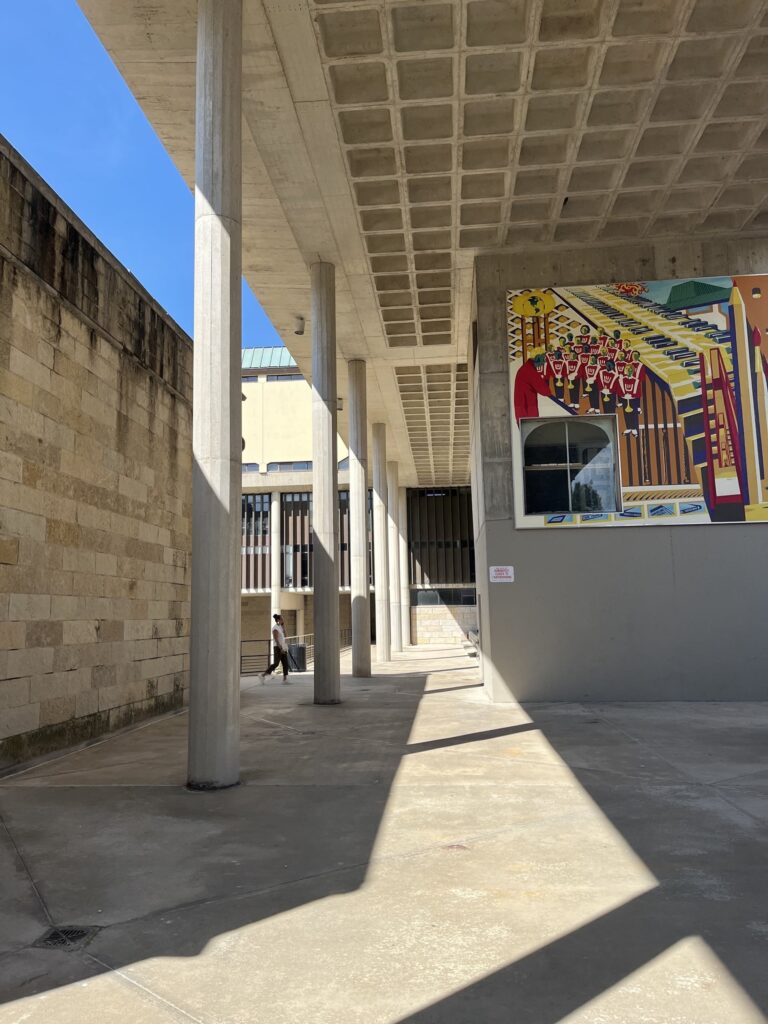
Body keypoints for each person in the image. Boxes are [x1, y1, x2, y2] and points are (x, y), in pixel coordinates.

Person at [262, 613, 289, 683]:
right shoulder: (275, 628)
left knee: (285, 663)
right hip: (278, 647)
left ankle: (285, 679)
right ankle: (263, 675)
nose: (283, 620)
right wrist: (281, 648)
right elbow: (276, 639)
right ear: (278, 620)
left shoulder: (280, 627)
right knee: (276, 663)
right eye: (282, 619)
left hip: (283, 647)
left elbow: (286, 635)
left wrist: (283, 626)